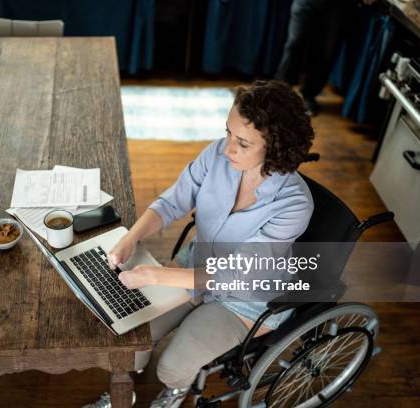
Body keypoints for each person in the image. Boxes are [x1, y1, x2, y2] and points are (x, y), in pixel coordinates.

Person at [83, 80, 315, 408]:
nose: (227, 149)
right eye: (228, 134)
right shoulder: (217, 156)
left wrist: (155, 276)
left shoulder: (294, 205)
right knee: (132, 341)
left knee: (171, 368)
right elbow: (171, 202)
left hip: (244, 299)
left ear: (275, 148)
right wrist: (130, 238)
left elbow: (234, 274)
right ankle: (124, 391)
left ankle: (177, 392)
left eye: (243, 143)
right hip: (196, 268)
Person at [275, 0, 378, 116]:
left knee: (325, 53)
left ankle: (308, 95)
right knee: (294, 42)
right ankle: (280, 92)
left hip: (338, 6)